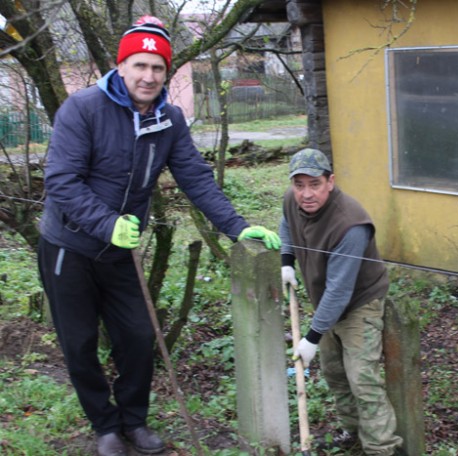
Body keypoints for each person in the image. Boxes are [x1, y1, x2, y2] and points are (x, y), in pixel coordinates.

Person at [37, 16, 280, 456]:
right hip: (69, 247)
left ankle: (134, 421)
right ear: (122, 65)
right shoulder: (83, 109)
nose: (148, 76)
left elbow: (196, 179)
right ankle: (105, 426)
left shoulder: (168, 119)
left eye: (157, 68)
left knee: (136, 336)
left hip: (119, 254)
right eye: (140, 65)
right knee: (79, 342)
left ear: (166, 72)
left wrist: (238, 226)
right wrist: (105, 222)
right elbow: (61, 181)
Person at [280, 148, 404, 455]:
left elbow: (340, 290)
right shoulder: (292, 200)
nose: (306, 193)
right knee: (336, 375)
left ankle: (382, 448)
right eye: (299, 185)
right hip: (326, 302)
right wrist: (286, 261)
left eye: (315, 184)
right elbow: (287, 224)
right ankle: (354, 435)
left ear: (330, 181)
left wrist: (311, 337)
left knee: (362, 381)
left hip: (359, 304)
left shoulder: (351, 223)